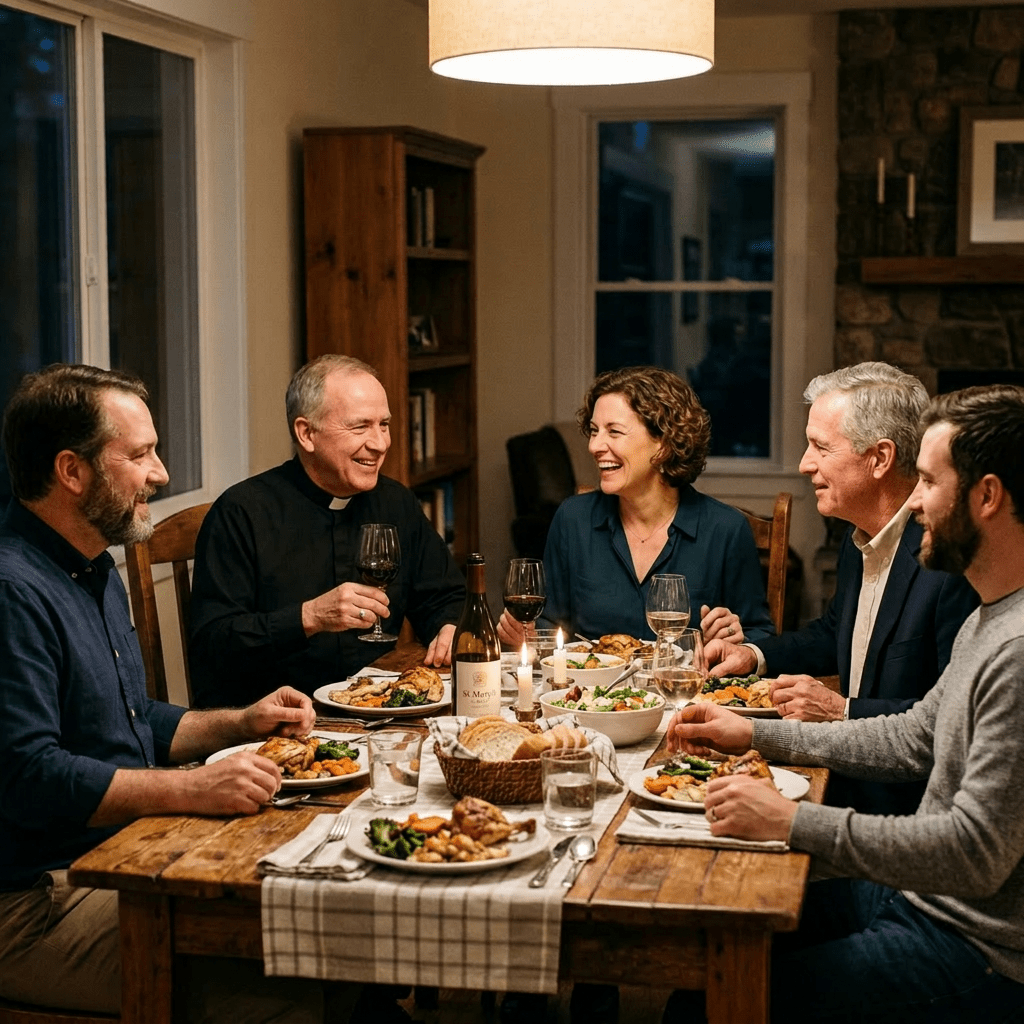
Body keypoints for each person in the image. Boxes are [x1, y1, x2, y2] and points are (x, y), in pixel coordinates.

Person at [664, 384, 1024, 1024]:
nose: (915, 503)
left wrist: (790, 822)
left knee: (711, 1003)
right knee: (701, 962)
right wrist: (752, 735)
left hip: (976, 948)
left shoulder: (1018, 649)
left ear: (987, 496)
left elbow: (974, 852)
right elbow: (913, 736)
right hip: (920, 901)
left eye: (931, 482)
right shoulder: (991, 617)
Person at [0, 364, 323, 1020]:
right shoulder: (14, 592)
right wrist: (190, 790)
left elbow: (132, 718)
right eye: (140, 454)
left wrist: (240, 723)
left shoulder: (91, 565)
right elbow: (28, 777)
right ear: (73, 471)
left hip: (118, 857)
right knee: (294, 977)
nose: (162, 473)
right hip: (35, 904)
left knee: (320, 922)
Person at [706, 362, 978, 816]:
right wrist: (754, 656)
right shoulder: (859, 538)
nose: (803, 463)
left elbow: (948, 719)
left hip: (897, 813)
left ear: (880, 458)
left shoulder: (945, 561)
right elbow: (835, 633)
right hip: (836, 779)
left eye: (820, 447)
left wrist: (842, 709)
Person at [189, 355, 466, 708]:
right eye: (360, 427)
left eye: (384, 424)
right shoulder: (243, 512)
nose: (380, 443)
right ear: (306, 434)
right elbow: (213, 645)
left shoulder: (396, 502)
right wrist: (309, 618)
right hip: (271, 721)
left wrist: (450, 626)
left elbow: (446, 597)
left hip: (379, 710)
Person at [498, 366, 775, 650]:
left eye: (614, 432)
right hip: (592, 692)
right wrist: (529, 635)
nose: (595, 446)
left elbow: (760, 636)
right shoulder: (573, 519)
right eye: (594, 431)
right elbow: (552, 627)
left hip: (684, 693)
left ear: (665, 444)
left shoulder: (725, 529)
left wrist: (735, 637)